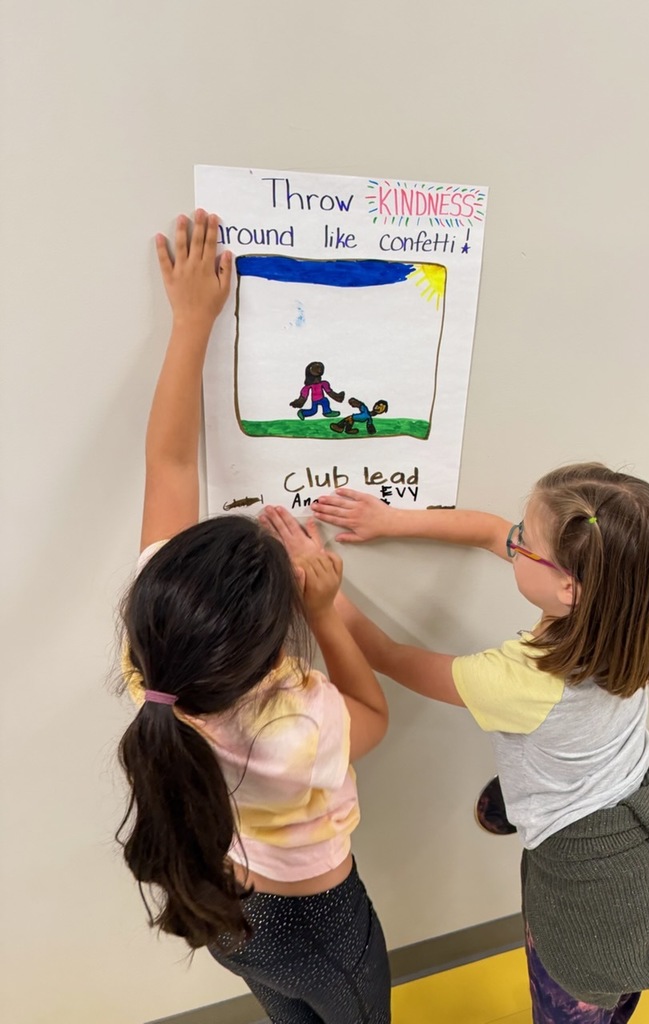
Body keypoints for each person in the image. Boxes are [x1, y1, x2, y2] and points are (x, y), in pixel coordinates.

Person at [265, 465, 649, 1024]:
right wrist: (390, 519)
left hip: (590, 879)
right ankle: (510, 802)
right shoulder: (627, 612)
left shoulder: (520, 680)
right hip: (641, 818)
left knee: (573, 994)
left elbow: (389, 656)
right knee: (618, 980)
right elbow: (492, 531)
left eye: (526, 543)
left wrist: (321, 596)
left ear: (569, 587)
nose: (512, 541)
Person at [115, 210, 391, 1024]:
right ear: (279, 640)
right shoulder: (300, 724)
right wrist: (328, 608)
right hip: (321, 923)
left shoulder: (153, 657)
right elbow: (376, 714)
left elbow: (167, 461)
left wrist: (190, 322)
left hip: (228, 906)